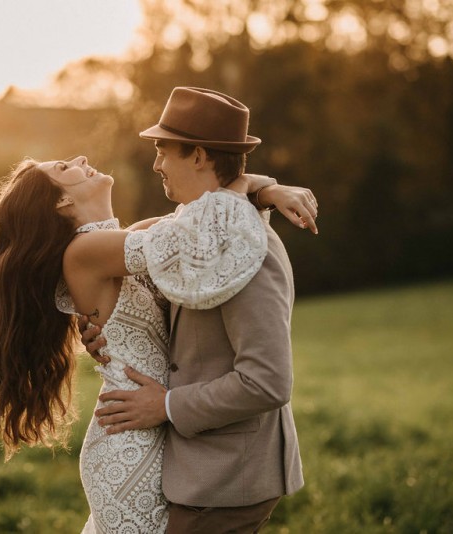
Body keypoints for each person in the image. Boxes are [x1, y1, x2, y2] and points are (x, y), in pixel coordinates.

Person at [82, 87, 310, 533]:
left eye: (163, 150)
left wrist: (164, 405)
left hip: (227, 480)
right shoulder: (201, 233)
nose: (156, 164)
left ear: (200, 156)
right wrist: (111, 327)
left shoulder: (249, 252)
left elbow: (268, 382)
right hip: (205, 471)